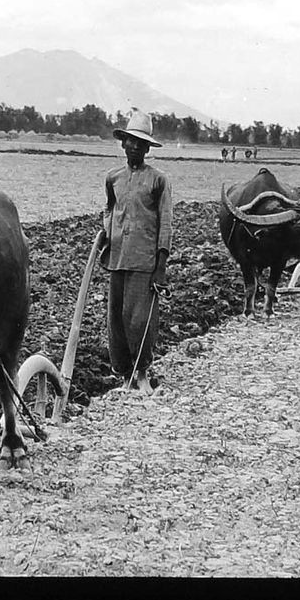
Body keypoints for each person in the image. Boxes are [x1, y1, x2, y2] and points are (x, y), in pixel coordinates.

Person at [100, 109, 173, 393]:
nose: (133, 147)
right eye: (130, 141)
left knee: (140, 319)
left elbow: (165, 221)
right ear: (123, 144)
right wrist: (107, 231)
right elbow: (109, 206)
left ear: (146, 148)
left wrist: (161, 266)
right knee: (116, 319)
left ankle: (142, 373)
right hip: (117, 256)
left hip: (145, 260)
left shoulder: (159, 180)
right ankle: (124, 375)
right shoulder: (113, 177)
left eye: (140, 144)